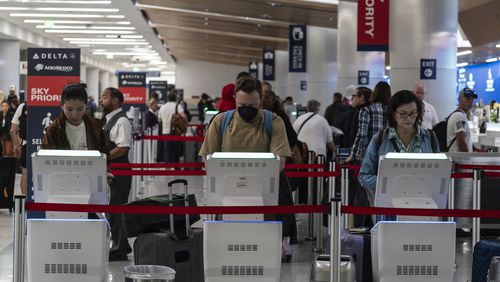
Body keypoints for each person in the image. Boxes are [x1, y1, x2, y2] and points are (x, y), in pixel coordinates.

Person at [199, 76, 295, 261]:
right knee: (227, 252)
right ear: (235, 97)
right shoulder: (221, 122)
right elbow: (208, 160)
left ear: (260, 100)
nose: (247, 110)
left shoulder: (273, 122)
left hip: (264, 198)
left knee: (262, 254)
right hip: (225, 198)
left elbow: (280, 162)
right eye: (242, 105)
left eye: (252, 106)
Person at [358, 90, 439, 220]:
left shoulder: (430, 138)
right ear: (393, 113)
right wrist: (390, 184)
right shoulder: (380, 139)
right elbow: (364, 175)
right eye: (403, 114)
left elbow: (438, 173)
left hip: (423, 209)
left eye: (412, 113)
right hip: (388, 212)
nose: (408, 118)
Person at [99, 87, 133, 261]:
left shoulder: (121, 121)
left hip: (120, 171)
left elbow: (123, 147)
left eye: (104, 97)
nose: (100, 100)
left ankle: (119, 248)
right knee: (113, 210)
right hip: (113, 170)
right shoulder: (108, 119)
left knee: (117, 209)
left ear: (115, 101)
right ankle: (122, 244)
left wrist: (103, 157)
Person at [42, 83, 108, 154]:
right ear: (62, 106)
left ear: (86, 105)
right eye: (69, 109)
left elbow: (104, 156)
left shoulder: (95, 126)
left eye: (79, 109)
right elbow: (47, 158)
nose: (74, 114)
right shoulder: (53, 130)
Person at [347, 81, 391, 163]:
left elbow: (362, 135)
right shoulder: (393, 111)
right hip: (387, 153)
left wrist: (353, 155)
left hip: (369, 154)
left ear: (375, 93)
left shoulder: (366, 110)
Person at [158, 91, 186, 163]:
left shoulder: (162, 107)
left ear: (168, 98)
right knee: (176, 149)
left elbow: (159, 120)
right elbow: (183, 116)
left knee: (167, 150)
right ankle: (176, 166)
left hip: (165, 131)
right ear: (175, 98)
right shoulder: (177, 106)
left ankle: (168, 166)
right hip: (175, 131)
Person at [447, 87, 477, 153]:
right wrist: (468, 158)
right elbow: (461, 141)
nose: (470, 101)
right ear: (459, 99)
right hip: (459, 160)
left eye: (472, 99)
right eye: (467, 98)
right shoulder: (459, 116)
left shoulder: (459, 115)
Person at [10, 102, 27, 195]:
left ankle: (25, 203)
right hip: (48, 145)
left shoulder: (23, 106)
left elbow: (13, 129)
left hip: (27, 144)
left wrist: (16, 146)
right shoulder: (55, 101)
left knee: (25, 173)